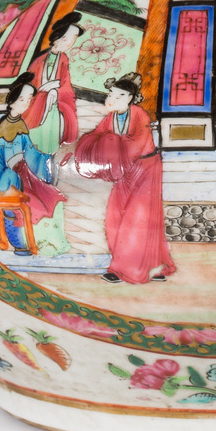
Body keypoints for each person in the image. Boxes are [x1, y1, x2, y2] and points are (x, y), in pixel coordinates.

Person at [65, 73, 175, 284]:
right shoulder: (110, 119)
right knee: (114, 217)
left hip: (145, 169)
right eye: (111, 94)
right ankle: (153, 265)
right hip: (124, 171)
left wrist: (111, 143)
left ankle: (124, 270)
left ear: (131, 98)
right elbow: (96, 138)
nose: (112, 99)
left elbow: (135, 145)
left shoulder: (140, 115)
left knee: (139, 218)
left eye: (120, 95)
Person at [0, 73, 69, 257]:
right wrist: (11, 176)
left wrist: (49, 161)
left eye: (29, 99)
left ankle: (50, 245)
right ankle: (27, 244)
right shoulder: (2, 131)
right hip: (10, 180)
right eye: (22, 99)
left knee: (53, 199)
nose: (26, 103)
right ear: (12, 102)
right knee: (33, 204)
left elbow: (31, 153)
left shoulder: (20, 125)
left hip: (26, 177)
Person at [27, 13, 81, 158]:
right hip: (38, 102)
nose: (69, 43)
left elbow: (66, 84)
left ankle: (48, 154)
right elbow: (31, 85)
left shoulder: (63, 59)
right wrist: (45, 90)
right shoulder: (39, 60)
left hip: (55, 101)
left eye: (73, 39)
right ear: (57, 38)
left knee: (53, 131)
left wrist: (56, 90)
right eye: (66, 39)